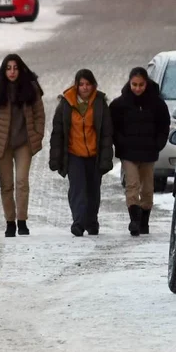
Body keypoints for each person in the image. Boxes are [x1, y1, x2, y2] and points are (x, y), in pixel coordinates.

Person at [0, 54, 46, 237]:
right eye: (8, 68)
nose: (12, 72)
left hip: (23, 143)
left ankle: (22, 221)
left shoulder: (30, 89)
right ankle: (10, 223)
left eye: (15, 68)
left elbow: (40, 114)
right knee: (7, 185)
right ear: (4, 70)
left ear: (21, 69)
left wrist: (37, 134)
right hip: (2, 145)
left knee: (22, 181)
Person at [49, 69, 114, 237]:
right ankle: (78, 222)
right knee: (78, 189)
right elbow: (58, 132)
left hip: (94, 155)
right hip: (74, 154)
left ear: (93, 86)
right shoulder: (66, 103)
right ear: (76, 86)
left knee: (93, 190)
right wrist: (55, 158)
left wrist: (107, 156)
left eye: (88, 84)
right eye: (81, 84)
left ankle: (92, 221)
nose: (84, 88)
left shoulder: (100, 103)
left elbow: (107, 133)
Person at [109, 67, 171, 236]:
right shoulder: (119, 104)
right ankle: (134, 220)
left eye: (141, 85)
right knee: (132, 184)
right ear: (129, 83)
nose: (137, 88)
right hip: (128, 152)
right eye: (134, 84)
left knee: (147, 187)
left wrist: (157, 144)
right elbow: (113, 127)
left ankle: (144, 221)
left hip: (148, 152)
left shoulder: (157, 104)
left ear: (146, 83)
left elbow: (164, 125)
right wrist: (120, 143)